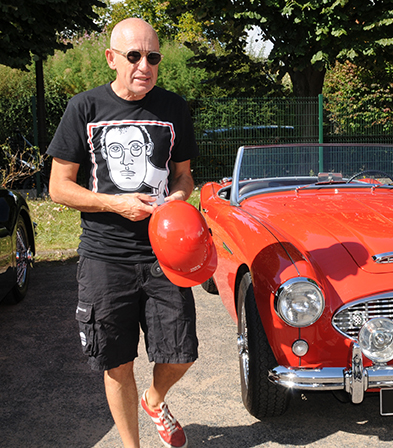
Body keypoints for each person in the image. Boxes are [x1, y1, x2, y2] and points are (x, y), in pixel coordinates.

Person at [47, 18, 199, 448]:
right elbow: (59, 187)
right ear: (112, 58)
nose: (144, 65)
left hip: (163, 254)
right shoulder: (84, 108)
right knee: (116, 363)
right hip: (104, 257)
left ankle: (154, 399)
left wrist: (177, 198)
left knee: (181, 353)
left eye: (153, 56)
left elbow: (184, 176)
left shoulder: (173, 108)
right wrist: (116, 203)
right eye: (134, 56)